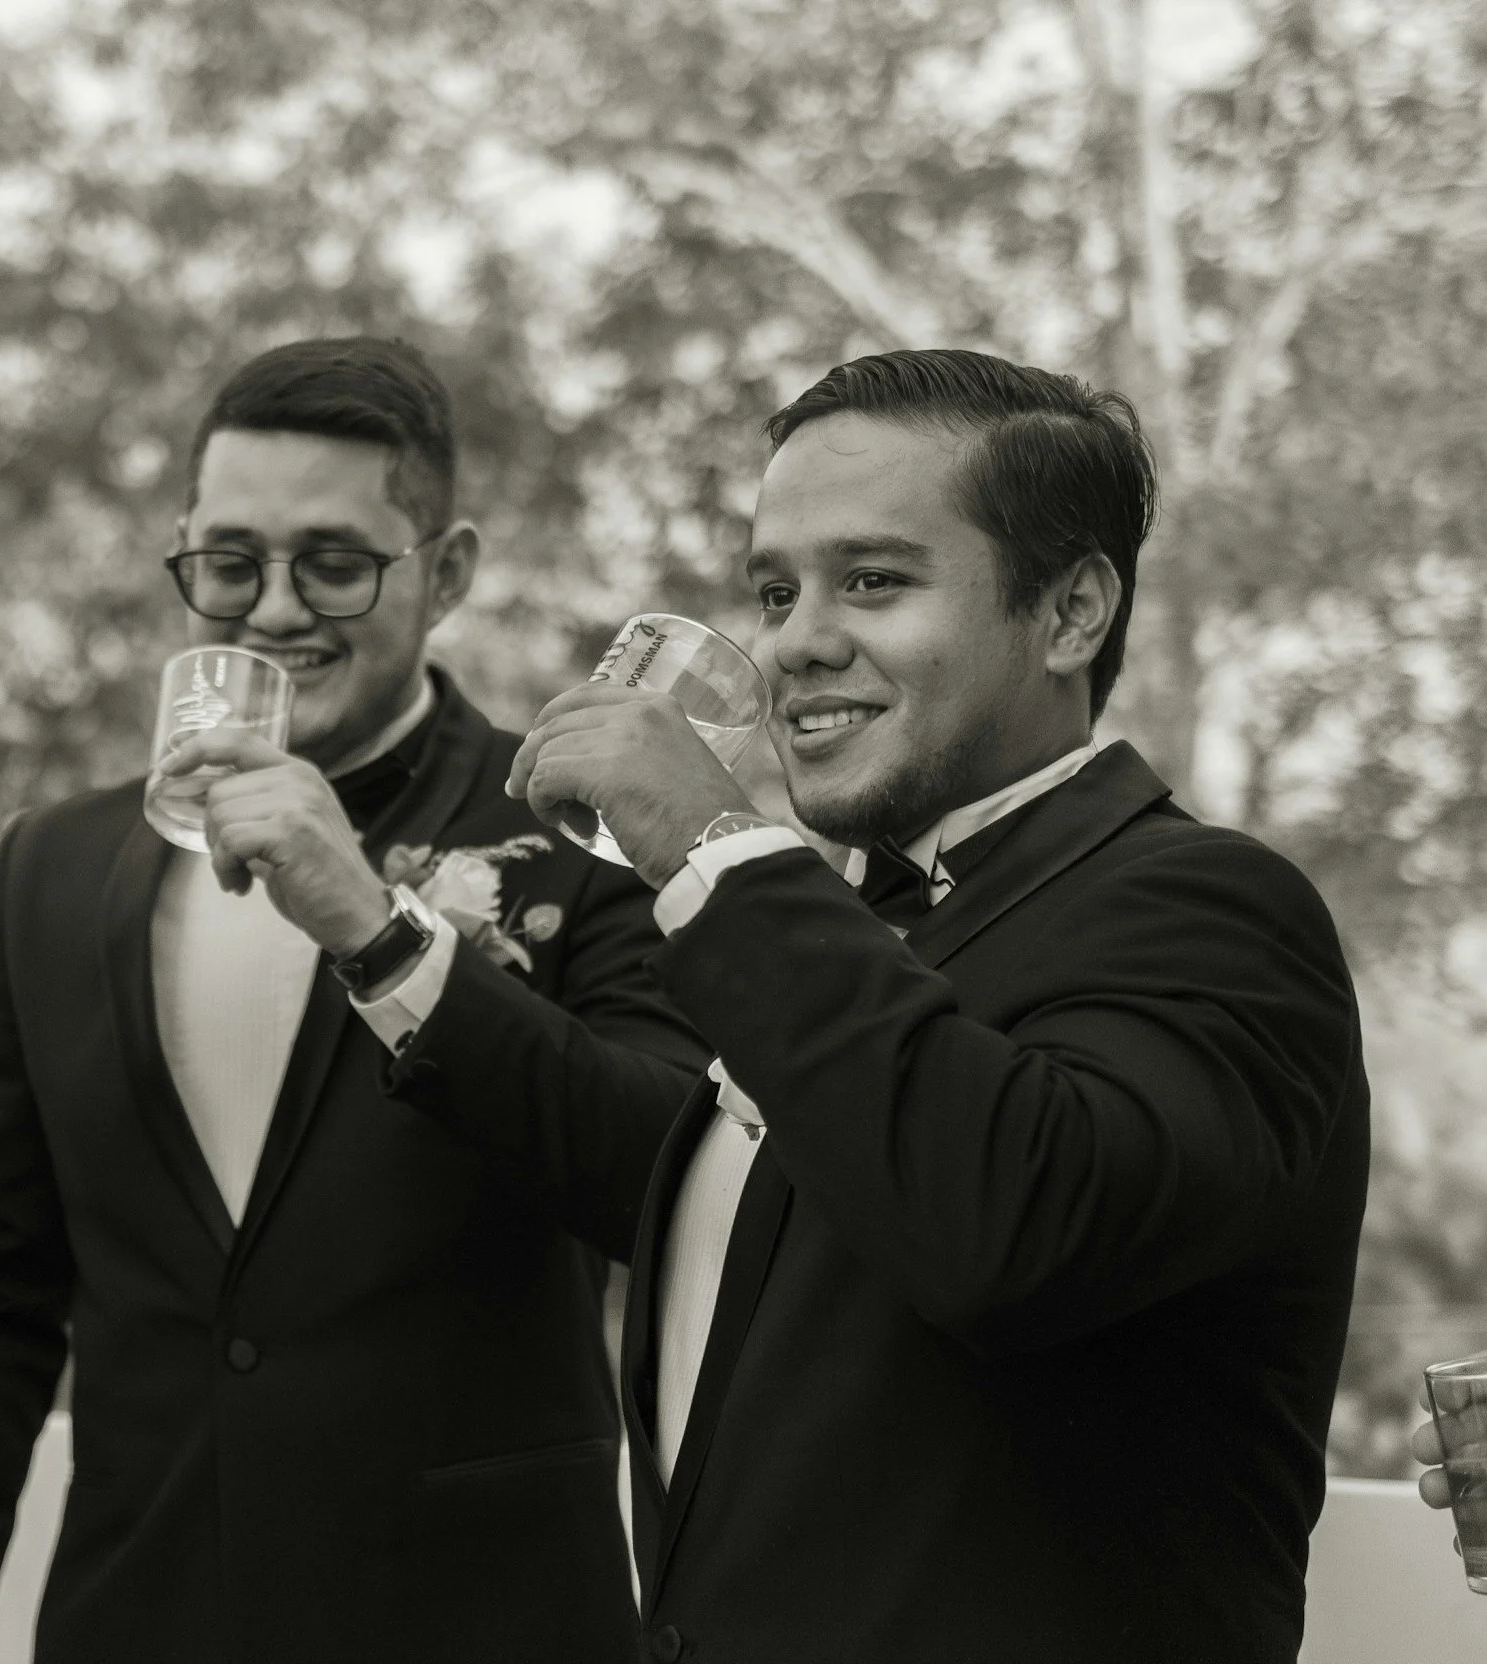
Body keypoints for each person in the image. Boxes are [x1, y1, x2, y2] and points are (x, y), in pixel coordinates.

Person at [441, 349, 1366, 1663]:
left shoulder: (1211, 909)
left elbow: (1008, 1226)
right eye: (776, 590)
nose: (794, 641)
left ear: (1071, 614)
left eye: (873, 580)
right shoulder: (838, 934)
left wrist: (715, 843)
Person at [0, 338, 705, 1664]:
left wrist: (376, 928)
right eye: (231, 561)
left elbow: (662, 1179)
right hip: (139, 1618)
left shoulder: (582, 825)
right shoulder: (52, 867)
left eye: (334, 562)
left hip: (480, 1622)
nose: (272, 611)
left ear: (452, 570)